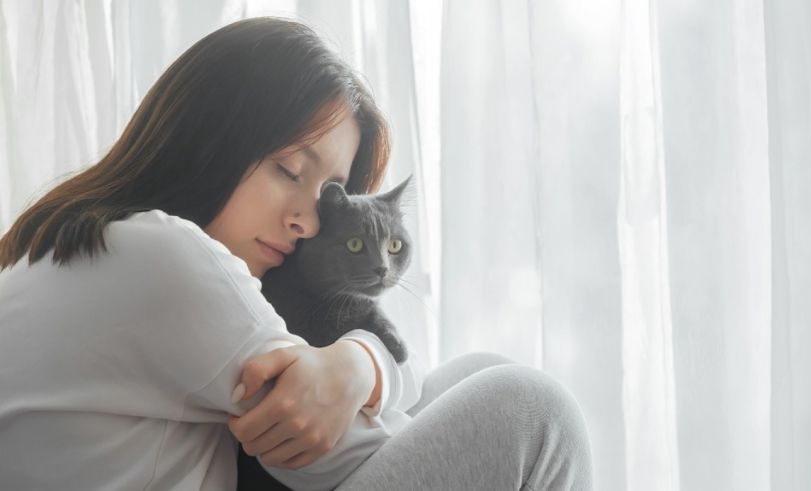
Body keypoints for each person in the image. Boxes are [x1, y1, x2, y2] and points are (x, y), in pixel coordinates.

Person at [0, 17, 593, 490]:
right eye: (289, 170)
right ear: (209, 137)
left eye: (327, 196)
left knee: (479, 372)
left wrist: (359, 362)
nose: (307, 221)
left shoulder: (72, 242)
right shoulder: (166, 261)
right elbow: (343, 457)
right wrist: (362, 365)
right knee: (532, 412)